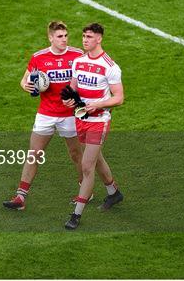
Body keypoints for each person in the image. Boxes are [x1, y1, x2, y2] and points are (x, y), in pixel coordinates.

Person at [3, 21, 86, 210]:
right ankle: (20, 197)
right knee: (34, 154)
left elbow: (87, 83)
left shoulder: (78, 55)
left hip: (70, 115)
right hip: (46, 114)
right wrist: (27, 86)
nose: (64, 40)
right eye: (59, 36)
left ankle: (84, 191)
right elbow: (24, 80)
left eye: (65, 36)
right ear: (50, 38)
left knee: (76, 154)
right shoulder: (39, 58)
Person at [62, 23, 124, 230]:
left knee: (87, 165)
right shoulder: (78, 62)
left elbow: (119, 98)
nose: (84, 40)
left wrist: (97, 104)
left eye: (89, 37)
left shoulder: (110, 66)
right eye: (83, 36)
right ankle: (114, 193)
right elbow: (73, 90)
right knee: (95, 159)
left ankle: (76, 215)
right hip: (81, 119)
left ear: (99, 39)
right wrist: (69, 100)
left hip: (99, 120)